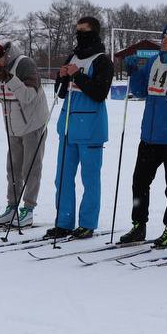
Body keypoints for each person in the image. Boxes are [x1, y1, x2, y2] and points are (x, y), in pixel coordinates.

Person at [117, 23, 167, 248]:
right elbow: (141, 91)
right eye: (163, 38)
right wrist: (134, 74)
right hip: (150, 134)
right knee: (139, 181)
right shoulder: (154, 61)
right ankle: (138, 225)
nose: (164, 42)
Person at [48, 16, 114, 239]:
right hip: (67, 126)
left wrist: (78, 74)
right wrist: (62, 77)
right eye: (77, 31)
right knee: (63, 178)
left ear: (94, 33)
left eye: (84, 31)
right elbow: (61, 93)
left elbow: (99, 93)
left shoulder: (102, 60)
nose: (79, 35)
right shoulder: (72, 56)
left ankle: (87, 223)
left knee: (90, 179)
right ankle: (64, 221)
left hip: (91, 128)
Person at [0, 38, 48, 228]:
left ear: (3, 54)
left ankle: (29, 209)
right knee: (13, 168)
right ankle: (12, 207)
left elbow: (28, 96)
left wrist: (10, 78)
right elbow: (0, 98)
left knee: (30, 168)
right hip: (13, 125)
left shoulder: (25, 64)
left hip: (33, 124)